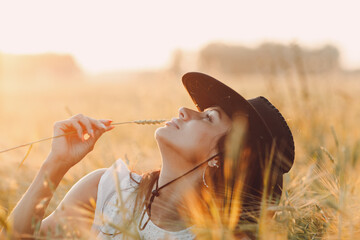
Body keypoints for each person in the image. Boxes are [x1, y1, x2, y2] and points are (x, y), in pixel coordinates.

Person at [3, 72, 295, 239]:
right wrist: (56, 163)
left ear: (226, 157)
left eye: (208, 119)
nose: (184, 111)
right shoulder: (105, 189)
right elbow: (18, 237)